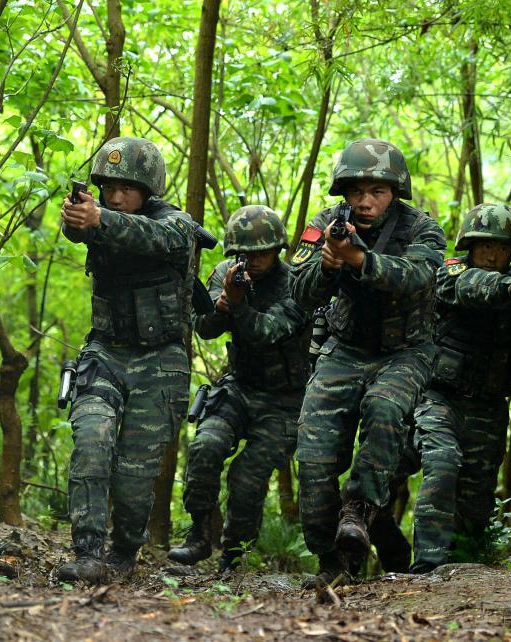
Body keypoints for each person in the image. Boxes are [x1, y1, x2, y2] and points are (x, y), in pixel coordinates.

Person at [290, 138, 446, 585]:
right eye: (356, 192)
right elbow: (298, 292)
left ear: (395, 191)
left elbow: (418, 277)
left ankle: (359, 508)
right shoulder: (324, 224)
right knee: (315, 455)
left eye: (376, 191)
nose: (365, 201)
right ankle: (333, 563)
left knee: (384, 408)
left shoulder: (422, 228)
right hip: (346, 348)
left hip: (406, 352)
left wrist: (360, 259)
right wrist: (327, 267)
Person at [57, 136, 198, 584]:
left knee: (136, 474)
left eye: (128, 188)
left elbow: (157, 237)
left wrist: (101, 218)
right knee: (92, 440)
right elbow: (77, 229)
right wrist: (79, 219)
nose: (116, 196)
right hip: (106, 351)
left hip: (161, 362)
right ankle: (87, 551)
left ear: (149, 189)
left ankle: (122, 552)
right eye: (108, 187)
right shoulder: (97, 218)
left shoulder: (177, 224)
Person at [411, 203, 511, 573]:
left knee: (477, 494)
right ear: (470, 247)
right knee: (441, 465)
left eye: (502, 248)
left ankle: (465, 568)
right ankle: (427, 564)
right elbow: (468, 288)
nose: (493, 255)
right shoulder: (450, 272)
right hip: (439, 397)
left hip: (489, 406)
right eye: (486, 247)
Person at [167, 205, 310, 572]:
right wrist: (220, 307)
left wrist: (237, 305)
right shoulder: (224, 275)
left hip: (285, 401)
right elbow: (205, 327)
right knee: (206, 445)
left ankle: (234, 555)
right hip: (240, 387)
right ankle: (198, 535)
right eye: (246, 253)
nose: (254, 260)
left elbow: (265, 332)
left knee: (248, 475)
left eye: (262, 252)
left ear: (277, 249)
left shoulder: (297, 284)